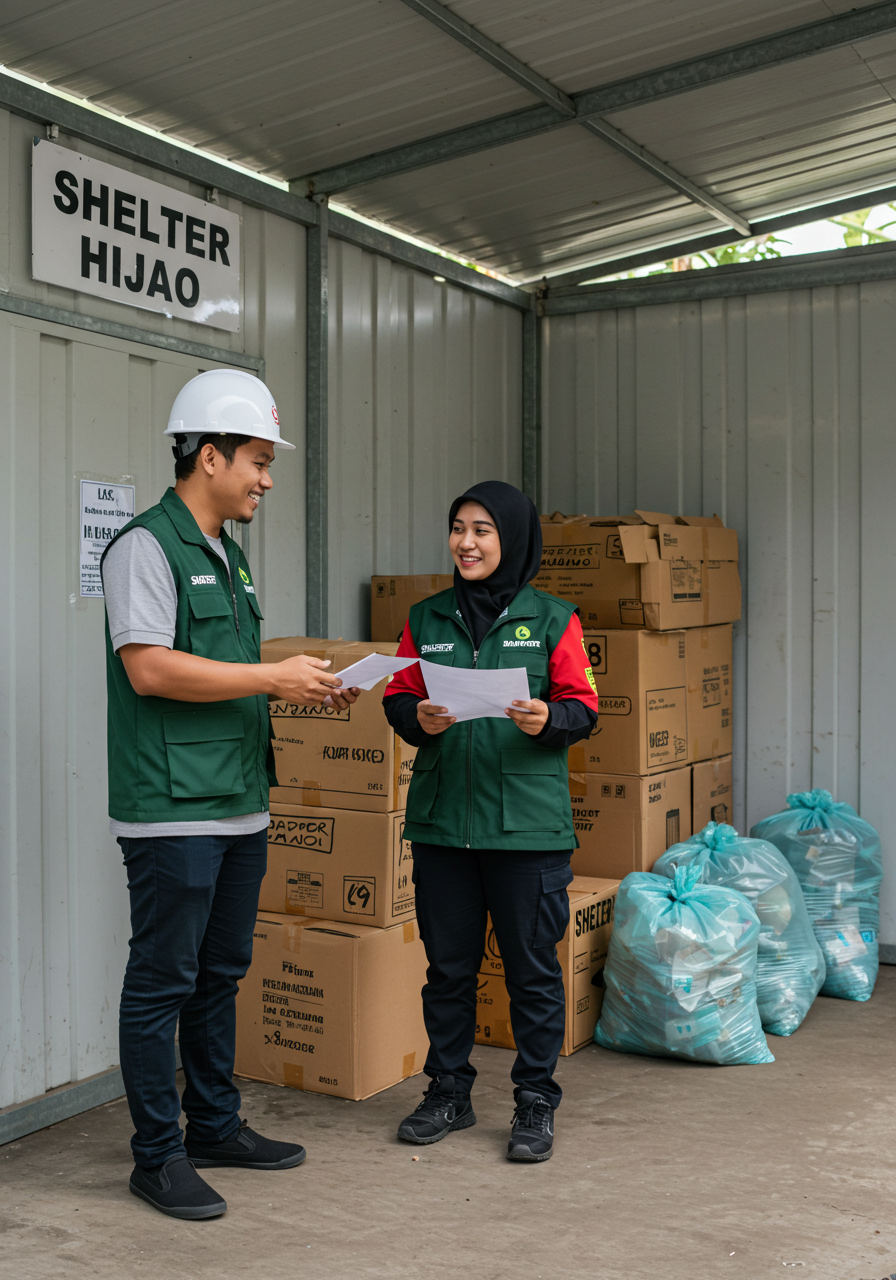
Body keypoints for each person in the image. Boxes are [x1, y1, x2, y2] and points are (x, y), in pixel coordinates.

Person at [101, 369, 361, 1220]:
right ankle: (156, 1157)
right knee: (163, 981)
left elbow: (230, 678)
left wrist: (304, 687)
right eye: (258, 460)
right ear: (208, 456)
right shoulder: (145, 547)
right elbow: (150, 668)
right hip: (173, 810)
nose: (266, 480)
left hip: (240, 801)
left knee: (220, 974)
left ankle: (213, 1126)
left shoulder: (229, 558)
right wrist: (271, 676)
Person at [383, 480, 599, 1162]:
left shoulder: (554, 619)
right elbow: (398, 696)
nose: (466, 543)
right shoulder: (426, 618)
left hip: (527, 829)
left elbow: (584, 707)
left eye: (482, 530)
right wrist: (416, 717)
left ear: (513, 539)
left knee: (531, 973)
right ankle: (447, 1091)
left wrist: (548, 718)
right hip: (444, 823)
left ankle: (535, 1101)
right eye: (458, 528)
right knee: (448, 971)